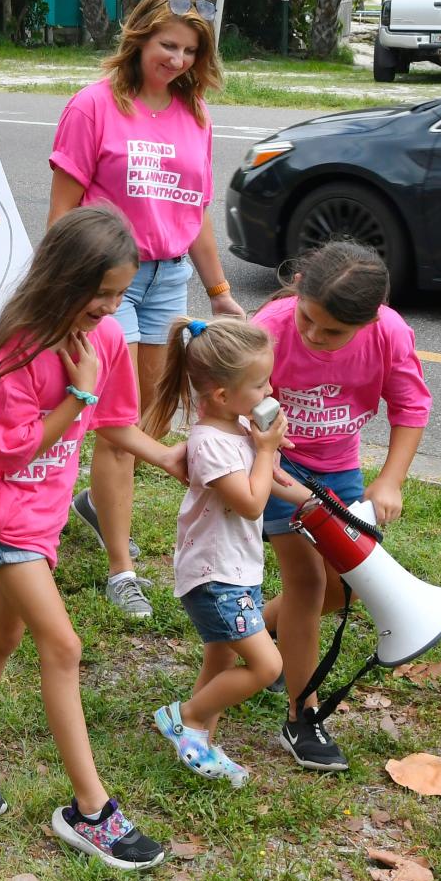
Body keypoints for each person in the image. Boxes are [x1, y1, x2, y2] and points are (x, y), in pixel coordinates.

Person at [0, 207, 187, 871]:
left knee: (1, 637)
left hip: (44, 519)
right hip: (2, 515)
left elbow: (116, 424)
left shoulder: (108, 339)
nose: (113, 307)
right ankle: (92, 811)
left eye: (122, 294)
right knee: (61, 644)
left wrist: (169, 457)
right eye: (103, 294)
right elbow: (12, 454)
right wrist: (79, 398)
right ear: (63, 280)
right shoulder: (19, 348)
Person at [47, 0, 245, 619]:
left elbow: (195, 212)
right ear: (138, 38)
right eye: (168, 45)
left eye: (190, 50)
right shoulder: (93, 106)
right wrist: (69, 294)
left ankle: (96, 505)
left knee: (148, 421)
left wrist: (220, 292)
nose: (178, 60)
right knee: (116, 426)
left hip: (169, 283)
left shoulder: (196, 114)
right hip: (109, 284)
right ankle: (120, 566)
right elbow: (62, 215)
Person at [253, 240, 432, 772]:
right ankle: (301, 715)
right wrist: (268, 458)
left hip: (341, 472)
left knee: (340, 587)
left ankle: (255, 635)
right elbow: (243, 402)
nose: (313, 335)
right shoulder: (272, 324)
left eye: (331, 332)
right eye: (308, 318)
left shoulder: (390, 334)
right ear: (300, 284)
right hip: (278, 468)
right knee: (306, 583)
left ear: (370, 318)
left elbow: (410, 405)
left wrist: (391, 480)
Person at [142, 317, 311, 786]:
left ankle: (200, 745)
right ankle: (186, 716)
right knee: (266, 665)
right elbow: (253, 499)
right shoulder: (210, 444)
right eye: (259, 384)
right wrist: (265, 452)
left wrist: (323, 504)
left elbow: (276, 481)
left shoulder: (239, 428)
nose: (270, 390)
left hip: (237, 570)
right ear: (221, 394)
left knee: (221, 658)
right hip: (215, 577)